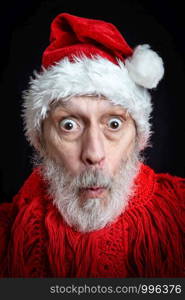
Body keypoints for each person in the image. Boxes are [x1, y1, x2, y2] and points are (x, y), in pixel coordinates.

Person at [0, 12, 184, 278]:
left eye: (114, 124)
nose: (94, 154)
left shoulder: (178, 215)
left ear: (139, 137)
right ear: (41, 141)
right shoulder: (10, 235)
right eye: (69, 125)